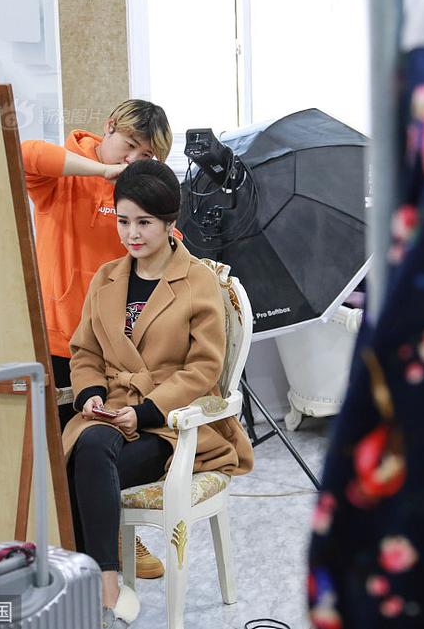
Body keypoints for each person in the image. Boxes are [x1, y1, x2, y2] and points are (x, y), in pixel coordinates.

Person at [61, 159, 254, 627]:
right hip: (109, 413)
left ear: (170, 222)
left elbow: (203, 368)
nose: (132, 233)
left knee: (83, 458)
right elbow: (84, 351)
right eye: (123, 220)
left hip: (171, 428)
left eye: (144, 222)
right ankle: (105, 581)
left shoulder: (198, 281)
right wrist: (90, 393)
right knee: (85, 447)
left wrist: (146, 411)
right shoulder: (106, 277)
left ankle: (99, 587)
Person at [21, 100, 172, 578]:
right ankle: (84, 556)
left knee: (108, 447)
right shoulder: (65, 173)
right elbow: (24, 154)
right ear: (109, 128)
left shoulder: (138, 195)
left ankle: (115, 538)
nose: (133, 161)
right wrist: (105, 172)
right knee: (64, 453)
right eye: (129, 146)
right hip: (58, 343)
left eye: (145, 156)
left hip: (117, 352)